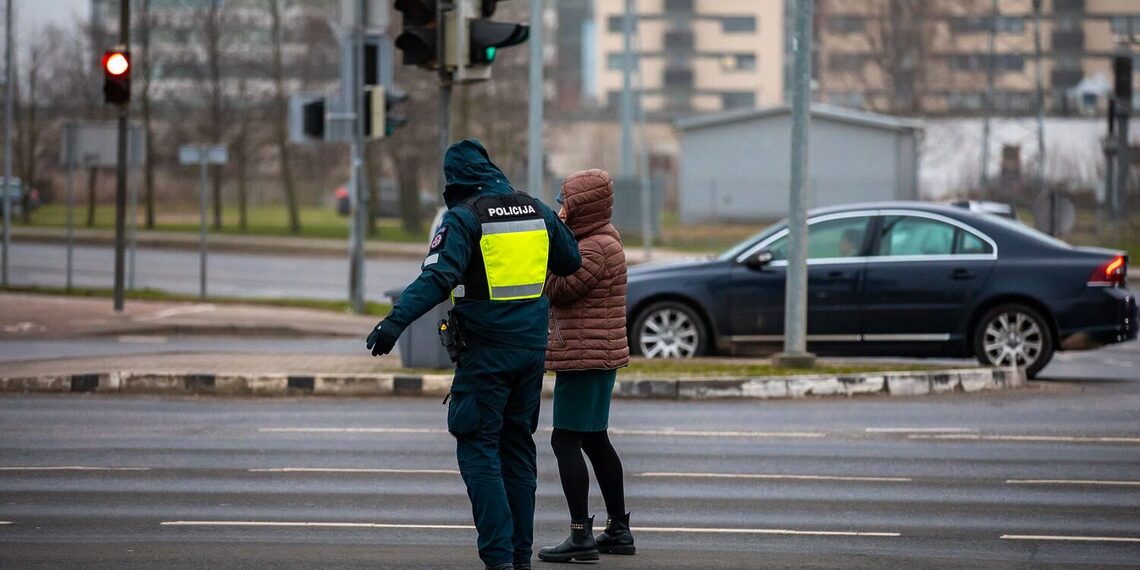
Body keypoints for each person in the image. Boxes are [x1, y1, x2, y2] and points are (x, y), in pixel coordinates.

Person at [366, 139, 581, 570]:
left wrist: (393, 323)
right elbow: (570, 260)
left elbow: (438, 277)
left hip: (486, 355)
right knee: (517, 450)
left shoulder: (464, 219)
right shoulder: (536, 210)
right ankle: (519, 558)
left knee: (478, 447)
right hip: (530, 354)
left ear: (455, 180)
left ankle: (499, 559)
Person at [537, 169, 634, 563]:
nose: (560, 209)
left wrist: (541, 257)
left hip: (584, 357)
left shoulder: (593, 248)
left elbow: (559, 288)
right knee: (595, 439)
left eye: (565, 202)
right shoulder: (600, 240)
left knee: (565, 441)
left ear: (583, 206)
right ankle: (619, 530)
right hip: (595, 354)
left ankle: (581, 535)